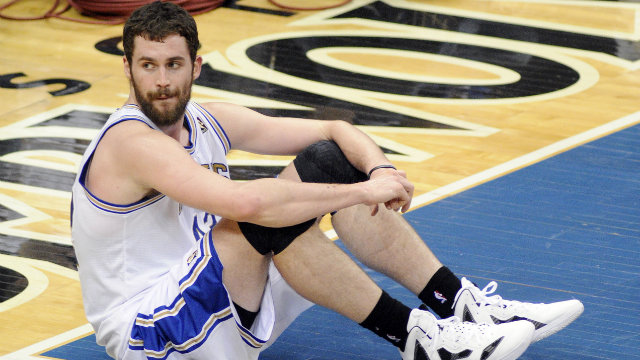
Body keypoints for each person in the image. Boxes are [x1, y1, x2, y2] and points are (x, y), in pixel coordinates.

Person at [70, 2, 583, 360]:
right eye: (148, 65)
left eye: (173, 64)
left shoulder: (208, 119)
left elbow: (336, 128)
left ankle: (463, 305)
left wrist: (379, 169)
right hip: (154, 333)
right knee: (264, 212)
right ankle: (423, 342)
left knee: (328, 158)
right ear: (128, 69)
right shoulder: (130, 142)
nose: (161, 81)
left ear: (196, 66)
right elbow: (248, 202)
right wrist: (363, 192)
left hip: (216, 304)